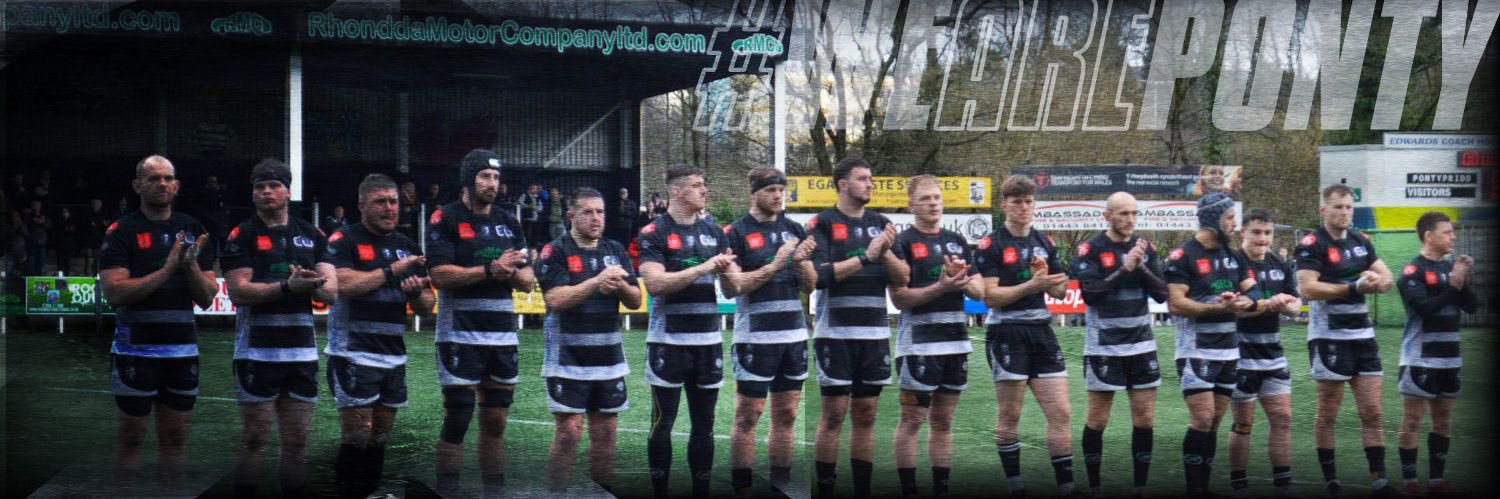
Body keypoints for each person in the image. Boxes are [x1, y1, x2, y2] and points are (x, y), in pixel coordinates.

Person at [99, 155, 218, 486]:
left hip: (182, 354)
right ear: (138, 185)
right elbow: (115, 294)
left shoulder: (193, 229)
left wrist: (190, 265)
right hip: (135, 352)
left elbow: (207, 298)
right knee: (131, 440)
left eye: (168, 178)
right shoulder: (121, 230)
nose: (162, 184)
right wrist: (167, 270)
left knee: (175, 443)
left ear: (177, 185)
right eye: (153, 179)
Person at [221, 159, 336, 498]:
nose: (267, 191)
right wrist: (286, 287)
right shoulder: (241, 235)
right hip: (256, 352)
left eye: (273, 185)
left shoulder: (312, 234)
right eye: (260, 186)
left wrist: (312, 283)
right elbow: (238, 293)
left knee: (297, 443)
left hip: (301, 354)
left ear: (288, 190)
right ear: (253, 193)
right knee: (255, 439)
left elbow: (331, 291)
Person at [426, 149, 533, 495]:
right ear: (468, 179)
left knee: (496, 423)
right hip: (459, 336)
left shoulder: (510, 221)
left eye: (496, 178)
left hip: (502, 338)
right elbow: (439, 275)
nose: (492, 184)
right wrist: (490, 269)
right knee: (457, 419)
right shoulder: (445, 218)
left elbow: (528, 280)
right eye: (485, 176)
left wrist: (510, 271)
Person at [325, 174, 434, 498]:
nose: (390, 208)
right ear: (362, 206)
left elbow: (428, 306)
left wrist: (414, 293)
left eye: (394, 202)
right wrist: (391, 271)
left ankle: (369, 492)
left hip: (393, 354)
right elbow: (341, 284)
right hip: (352, 352)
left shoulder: (408, 247)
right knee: (358, 433)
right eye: (381, 201)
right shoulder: (342, 240)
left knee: (381, 434)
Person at [637, 164, 735, 498]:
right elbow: (654, 284)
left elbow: (733, 286)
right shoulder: (654, 232)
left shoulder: (715, 232)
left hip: (708, 342)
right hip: (668, 343)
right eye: (697, 185)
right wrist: (705, 267)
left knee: (705, 426)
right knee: (662, 423)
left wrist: (773, 265)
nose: (704, 190)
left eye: (703, 184)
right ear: (677, 191)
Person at [536, 187, 642, 493]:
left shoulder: (615, 250)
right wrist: (597, 281)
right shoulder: (554, 251)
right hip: (568, 359)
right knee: (569, 433)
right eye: (588, 212)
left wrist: (620, 286)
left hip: (609, 359)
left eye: (601, 212)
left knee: (606, 434)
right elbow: (556, 299)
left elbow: (635, 300)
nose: (596, 218)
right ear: (571, 216)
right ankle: (556, 493)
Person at [720, 166, 817, 497]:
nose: (778, 197)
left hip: (793, 337)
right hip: (755, 339)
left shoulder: (794, 229)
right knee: (749, 416)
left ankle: (781, 485)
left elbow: (811, 286)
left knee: (787, 414)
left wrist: (802, 262)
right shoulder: (734, 233)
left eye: (781, 190)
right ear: (754, 193)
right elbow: (734, 287)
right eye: (771, 191)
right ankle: (743, 487)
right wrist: (777, 264)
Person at [1295, 183, 1397, 497]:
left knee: (1373, 411)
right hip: (1329, 338)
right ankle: (1331, 479)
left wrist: (1378, 282)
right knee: (1328, 413)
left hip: (1363, 337)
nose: (1345, 213)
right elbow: (1308, 289)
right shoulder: (1311, 244)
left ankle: (1379, 479)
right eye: (1338, 207)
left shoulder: (1361, 240)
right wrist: (1355, 288)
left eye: (1349, 207)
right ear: (1323, 210)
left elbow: (1387, 277)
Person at [974, 175, 1073, 497]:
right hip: (1006, 331)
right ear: (1004, 205)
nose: (1023, 207)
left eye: (1029, 201)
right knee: (1010, 415)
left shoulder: (1045, 241)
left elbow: (1059, 290)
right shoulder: (992, 244)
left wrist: (1045, 276)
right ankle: (1016, 486)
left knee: (1061, 412)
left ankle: (1067, 487)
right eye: (1016, 202)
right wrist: (1032, 285)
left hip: (1042, 331)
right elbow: (990, 297)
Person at [887, 175, 984, 498]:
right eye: (926, 198)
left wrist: (961, 277)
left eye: (937, 198)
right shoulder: (902, 243)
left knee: (943, 423)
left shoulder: (957, 240)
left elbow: (979, 289)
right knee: (912, 420)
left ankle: (941, 489)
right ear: (912, 204)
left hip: (956, 344)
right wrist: (941, 286)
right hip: (917, 348)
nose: (933, 203)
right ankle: (909, 490)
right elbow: (899, 299)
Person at [806, 157, 898, 498]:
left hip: (874, 335)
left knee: (867, 414)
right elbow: (819, 277)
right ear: (843, 185)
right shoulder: (823, 223)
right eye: (862, 178)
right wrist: (866, 256)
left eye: (871, 178)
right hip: (835, 335)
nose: (870, 184)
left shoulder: (883, 223)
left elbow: (902, 277)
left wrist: (885, 253)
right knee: (833, 415)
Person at [1069, 191, 1168, 498]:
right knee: (1098, 420)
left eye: (1134, 213)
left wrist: (1140, 266)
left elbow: (1163, 293)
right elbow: (1091, 294)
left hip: (1141, 345)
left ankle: (1140, 486)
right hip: (1104, 347)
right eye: (1123, 213)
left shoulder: (1146, 247)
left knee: (1145, 419)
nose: (1130, 219)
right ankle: (1095, 486)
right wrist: (1123, 269)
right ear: (1107, 216)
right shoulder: (1090, 248)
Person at [1164, 192, 1260, 496]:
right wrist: (1216, 308)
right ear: (1212, 219)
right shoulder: (1183, 256)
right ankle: (1194, 487)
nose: (1234, 224)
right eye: (1229, 218)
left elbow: (1254, 293)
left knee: (1215, 420)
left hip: (1229, 351)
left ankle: (1202, 484)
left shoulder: (1232, 255)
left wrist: (1242, 302)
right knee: (1202, 418)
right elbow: (1176, 304)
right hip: (1195, 350)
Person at [1396, 212, 1477, 496]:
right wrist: (1452, 285)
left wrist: (1463, 280)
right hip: (1419, 358)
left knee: (1443, 421)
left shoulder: (1449, 268)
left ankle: (1436, 479)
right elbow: (1425, 310)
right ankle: (1409, 481)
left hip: (1449, 358)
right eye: (1447, 232)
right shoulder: (1412, 272)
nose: (1452, 237)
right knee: (1413, 421)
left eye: (1452, 232)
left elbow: (1472, 307)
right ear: (1428, 236)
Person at [1227, 208, 1302, 497]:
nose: (1262, 238)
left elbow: (1295, 306)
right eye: (1256, 232)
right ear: (1243, 232)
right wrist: (1270, 303)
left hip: (1274, 354)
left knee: (1282, 417)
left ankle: (1283, 485)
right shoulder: (1232, 262)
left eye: (1268, 233)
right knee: (1244, 423)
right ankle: (1239, 485)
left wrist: (1286, 304)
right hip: (1240, 354)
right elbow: (1236, 308)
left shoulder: (1279, 264)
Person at [24, 199, 49, 274]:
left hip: (42, 244)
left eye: (38, 205)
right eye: (34, 205)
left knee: (41, 264)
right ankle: (31, 280)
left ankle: (39, 279)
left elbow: (50, 227)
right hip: (31, 245)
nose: (36, 207)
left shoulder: (44, 217)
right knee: (30, 264)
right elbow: (25, 228)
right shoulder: (28, 217)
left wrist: (43, 223)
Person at [518, 184, 543, 249]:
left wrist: (536, 208)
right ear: (530, 189)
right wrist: (528, 206)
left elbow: (541, 208)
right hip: (527, 219)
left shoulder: (537, 197)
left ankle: (533, 250)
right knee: (528, 235)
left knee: (535, 236)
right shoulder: (524, 195)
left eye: (536, 189)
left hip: (536, 219)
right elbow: (519, 204)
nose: (535, 190)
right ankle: (527, 249)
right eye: (534, 188)